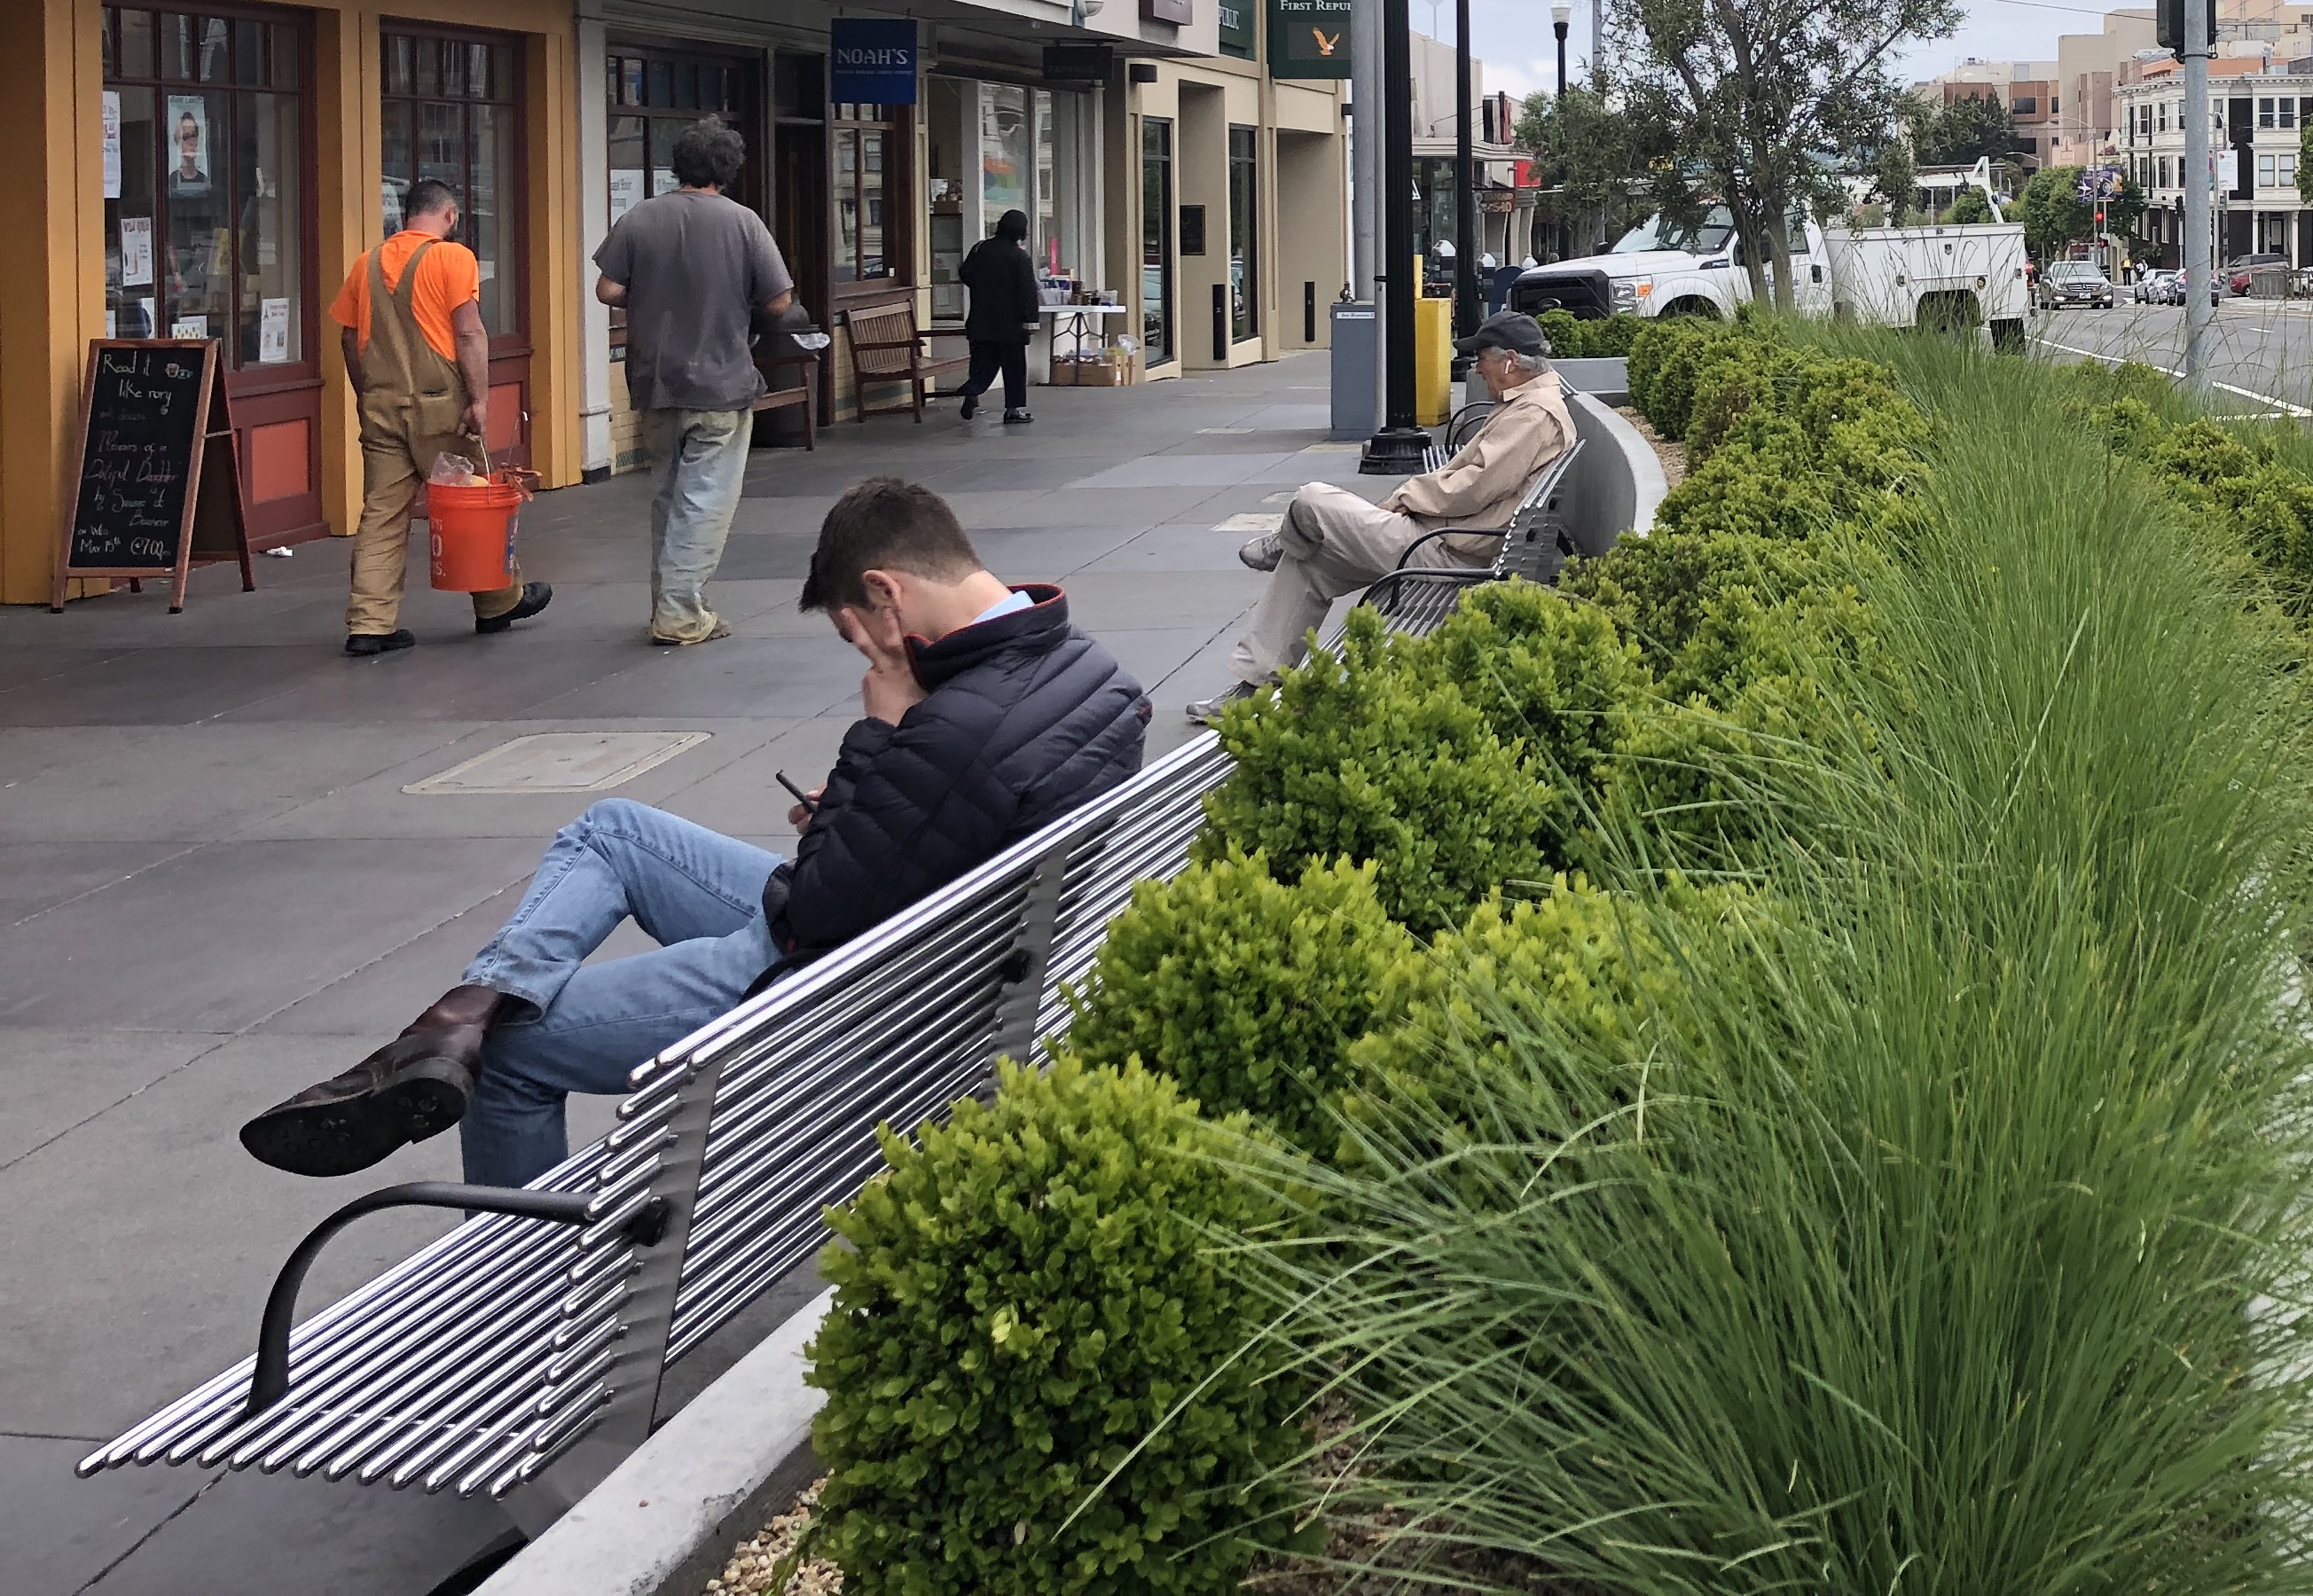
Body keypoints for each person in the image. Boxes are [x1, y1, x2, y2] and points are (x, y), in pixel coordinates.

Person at [238, 475, 1149, 1187]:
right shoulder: (1086, 667)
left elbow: (816, 915)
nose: (866, 655)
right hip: (933, 941)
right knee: (613, 829)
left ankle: (518, 1299)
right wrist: (865, 795)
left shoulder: (946, 726)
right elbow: (923, 829)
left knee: (509, 1056)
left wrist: (879, 735)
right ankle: (466, 1008)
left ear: (887, 595)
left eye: (856, 636)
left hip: (839, 977)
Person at [1228, 308, 1574, 687]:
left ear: (1510, 361)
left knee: (1311, 501)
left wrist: (1406, 496)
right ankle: (1256, 683)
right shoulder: (1526, 404)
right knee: (1310, 563)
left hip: (1446, 553)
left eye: (1481, 358)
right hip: (1439, 538)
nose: (1476, 368)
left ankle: (1287, 537)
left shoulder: (1535, 415)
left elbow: (1472, 488)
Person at [592, 118, 800, 646]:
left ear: (677, 165)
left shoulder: (641, 217)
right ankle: (680, 612)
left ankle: (672, 601)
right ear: (728, 169)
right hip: (721, 381)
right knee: (705, 499)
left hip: (655, 379)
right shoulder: (743, 222)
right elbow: (778, 300)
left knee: (668, 494)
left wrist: (653, 292)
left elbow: (607, 289)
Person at [330, 178, 553, 659]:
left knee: (382, 514)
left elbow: (349, 341)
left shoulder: (364, 266)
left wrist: (367, 393)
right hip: (441, 410)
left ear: (407, 215)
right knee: (472, 501)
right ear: (449, 215)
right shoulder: (454, 258)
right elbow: (469, 333)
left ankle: (369, 624)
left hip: (382, 409)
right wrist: (479, 400)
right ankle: (498, 602)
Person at [955, 207, 1040, 425]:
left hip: (980, 320)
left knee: (982, 364)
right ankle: (1012, 410)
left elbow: (965, 273)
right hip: (1010, 325)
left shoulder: (980, 248)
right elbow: (1027, 291)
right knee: (1014, 368)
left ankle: (972, 390)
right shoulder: (1020, 257)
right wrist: (1031, 319)